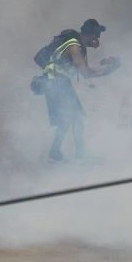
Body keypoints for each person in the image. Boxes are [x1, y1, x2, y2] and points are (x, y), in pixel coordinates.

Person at [37, 19, 117, 162]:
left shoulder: (76, 45)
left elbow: (84, 69)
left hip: (58, 83)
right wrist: (108, 70)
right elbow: (86, 73)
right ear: (89, 34)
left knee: (66, 120)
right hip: (57, 84)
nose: (97, 39)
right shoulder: (74, 46)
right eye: (96, 34)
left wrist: (104, 68)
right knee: (76, 117)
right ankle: (79, 154)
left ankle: (55, 153)